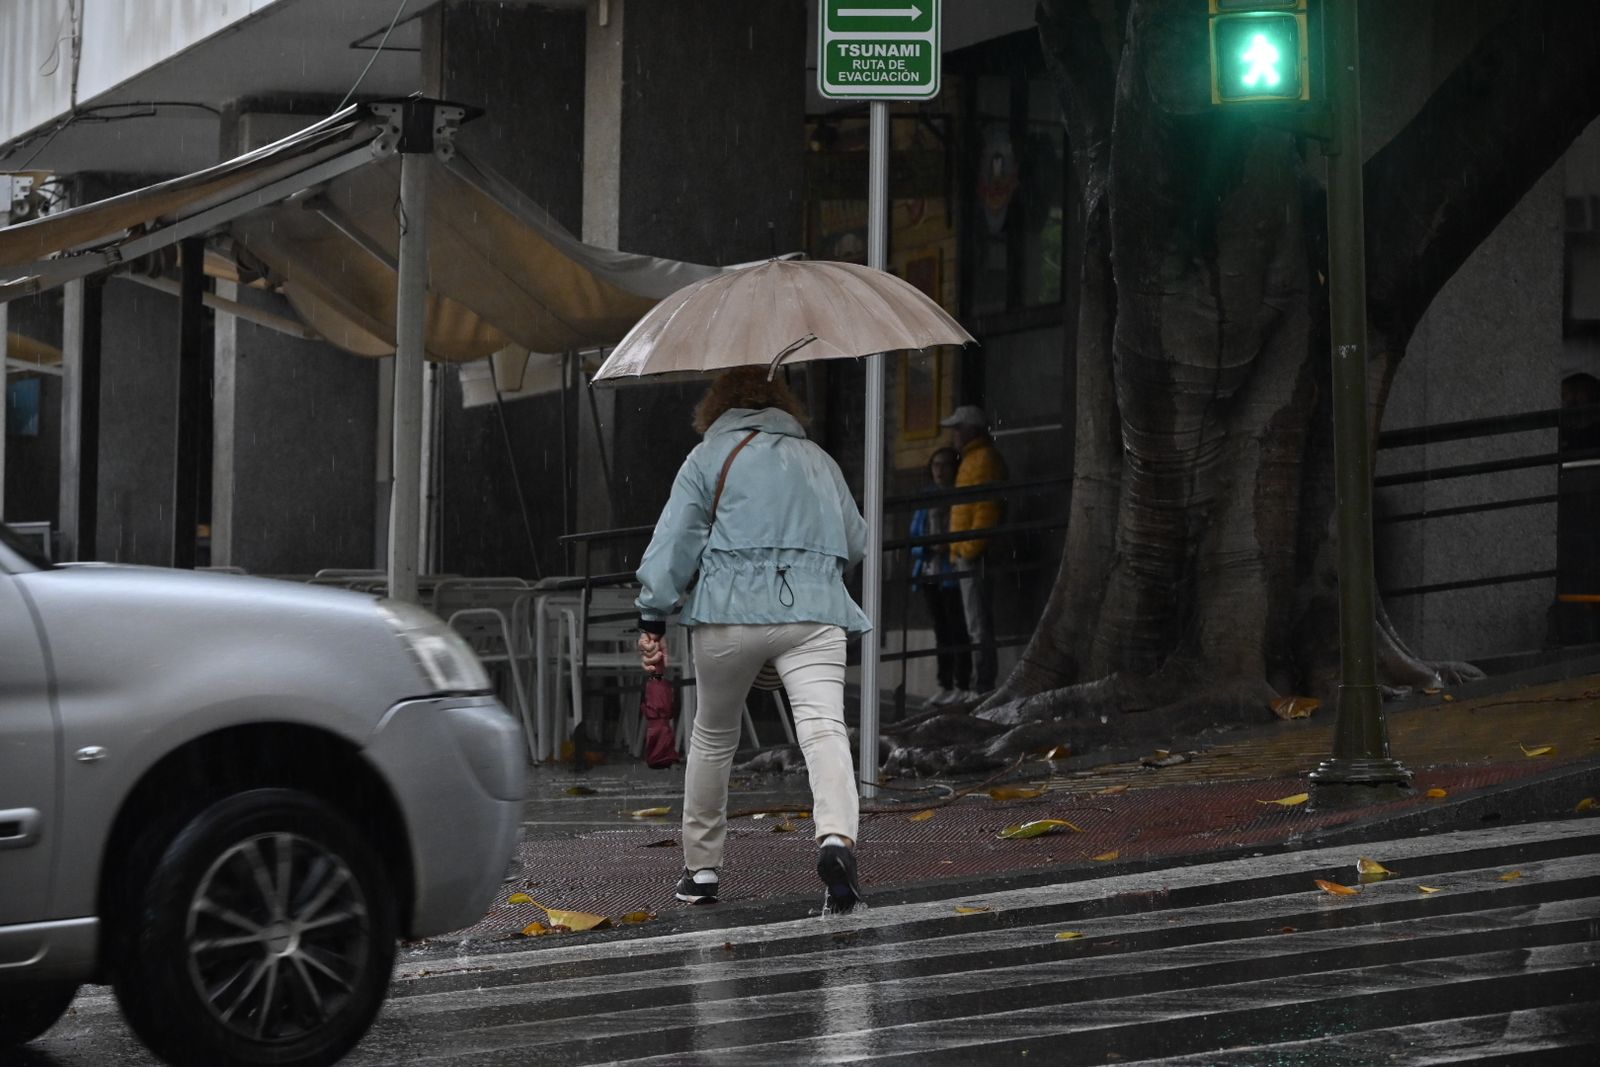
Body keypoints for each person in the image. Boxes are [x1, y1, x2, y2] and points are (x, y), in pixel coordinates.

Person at [635, 366, 869, 914]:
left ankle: (703, 870)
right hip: (814, 613)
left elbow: (674, 546)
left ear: (715, 409)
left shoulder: (707, 458)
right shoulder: (819, 460)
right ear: (784, 405)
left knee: (714, 737)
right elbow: (855, 541)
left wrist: (652, 616)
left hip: (728, 614)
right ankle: (836, 839)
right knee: (823, 728)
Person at [940, 404, 1007, 697]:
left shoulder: (981, 460)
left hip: (974, 554)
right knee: (975, 622)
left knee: (978, 623)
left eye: (958, 428)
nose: (954, 435)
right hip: (969, 552)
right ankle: (981, 683)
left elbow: (984, 509)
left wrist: (968, 548)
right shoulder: (975, 458)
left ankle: (983, 686)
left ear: (971, 430)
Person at [908, 447, 972, 705]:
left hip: (953, 571)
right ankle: (944, 684)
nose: (939, 471)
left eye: (944, 465)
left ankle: (963, 683)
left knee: (958, 629)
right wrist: (927, 546)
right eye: (935, 465)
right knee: (941, 631)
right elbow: (914, 534)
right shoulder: (928, 498)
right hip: (930, 571)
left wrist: (950, 545)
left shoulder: (960, 494)